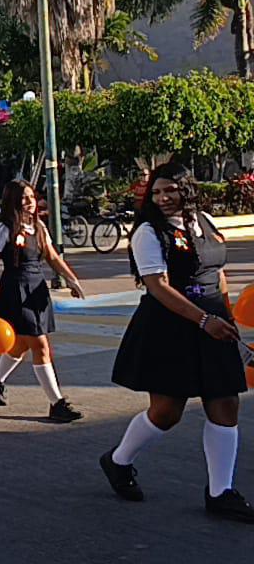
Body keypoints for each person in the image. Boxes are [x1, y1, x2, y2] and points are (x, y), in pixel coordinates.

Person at [100, 163, 254, 522]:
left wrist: (227, 321)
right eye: (156, 192)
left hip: (213, 322)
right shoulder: (148, 232)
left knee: (225, 403)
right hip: (171, 326)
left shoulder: (204, 221)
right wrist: (204, 320)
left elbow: (218, 275)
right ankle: (118, 460)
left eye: (170, 189)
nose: (163, 198)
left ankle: (221, 492)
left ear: (187, 189)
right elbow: (157, 287)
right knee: (167, 412)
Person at [0, 180, 86, 422]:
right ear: (12, 201)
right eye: (23, 198)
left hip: (36, 290)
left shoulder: (38, 226)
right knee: (40, 346)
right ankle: (57, 403)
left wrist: (71, 279)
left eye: (31, 196)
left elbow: (52, 256)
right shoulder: (3, 229)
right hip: (15, 291)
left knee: (20, 345)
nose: (29, 202)